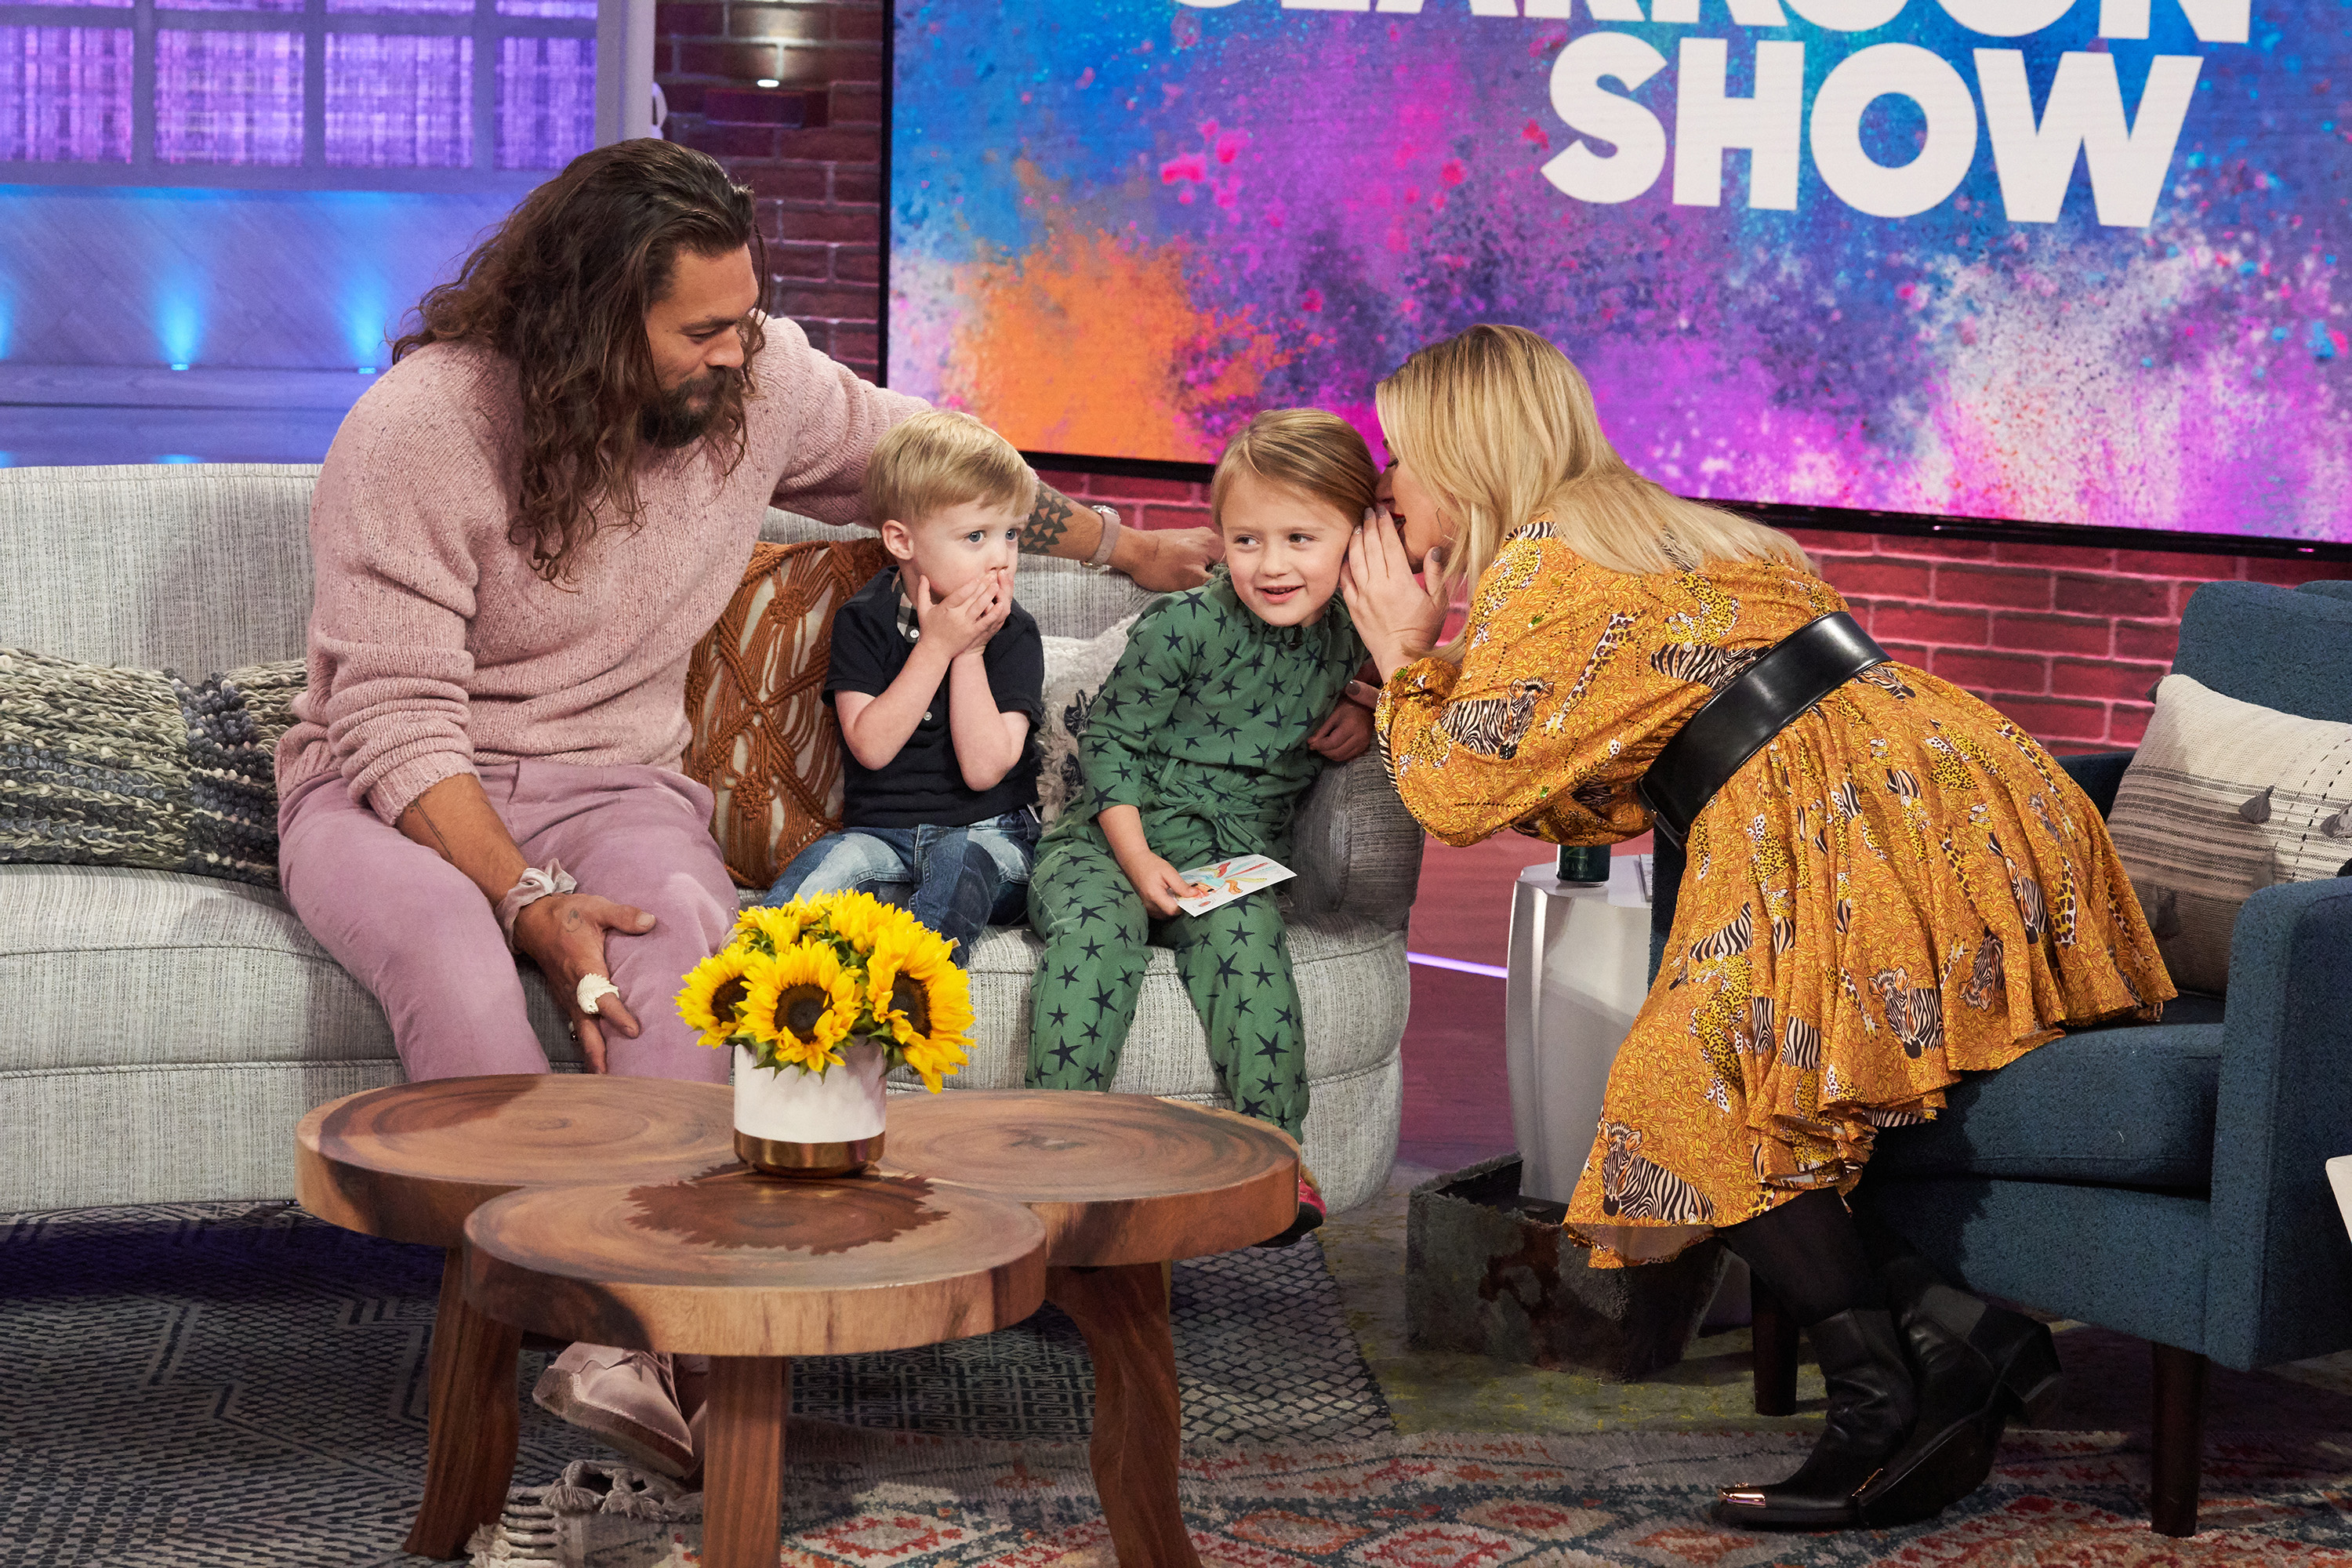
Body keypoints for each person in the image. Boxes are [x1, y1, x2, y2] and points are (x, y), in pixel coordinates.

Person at [271, 140, 1220, 1479]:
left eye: (746, 318)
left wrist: (1121, 546)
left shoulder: (756, 384)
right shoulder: (422, 427)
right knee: (446, 944)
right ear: (596, 320)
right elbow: (391, 720)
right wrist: (528, 901)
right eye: (701, 328)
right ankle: (565, 1324)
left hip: (616, 780)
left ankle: (638, 1347)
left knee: (694, 937)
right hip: (394, 798)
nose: (738, 351)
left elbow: (941, 470)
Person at [1340, 325, 2172, 1530]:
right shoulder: (1659, 526)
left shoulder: (1547, 564)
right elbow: (1599, 765)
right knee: (1765, 1086)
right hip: (1972, 790)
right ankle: (1956, 1339)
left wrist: (1402, 661)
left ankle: (1886, 1410)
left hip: (1845, 822)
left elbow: (1459, 795)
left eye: (1399, 460)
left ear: (1464, 458)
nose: (1388, 489)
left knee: (1688, 1088)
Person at [1025, 408, 1381, 1247]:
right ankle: (1048, 1162)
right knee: (1094, 941)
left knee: (1250, 947)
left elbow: (1419, 661)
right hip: (1106, 840)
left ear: (1353, 541)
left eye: (1302, 537)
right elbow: (1109, 740)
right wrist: (1138, 857)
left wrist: (1366, 702)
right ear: (1220, 536)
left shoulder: (1351, 634)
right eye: (1248, 539)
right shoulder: (1184, 623)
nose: (1273, 564)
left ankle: (1273, 1165)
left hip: (1229, 859)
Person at [763, 409, 1044, 954]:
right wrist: (935, 645)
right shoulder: (863, 620)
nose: (1000, 557)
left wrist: (969, 650)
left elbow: (985, 769)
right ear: (902, 540)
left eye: (1011, 534)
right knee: (824, 872)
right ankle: (751, 987)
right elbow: (871, 745)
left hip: (992, 841)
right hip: (882, 840)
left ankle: (911, 997)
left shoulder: (1015, 633)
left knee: (962, 861)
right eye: (976, 536)